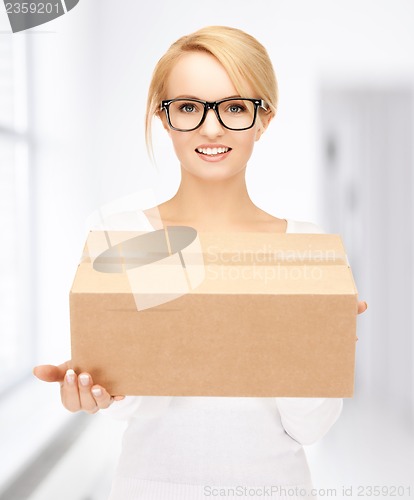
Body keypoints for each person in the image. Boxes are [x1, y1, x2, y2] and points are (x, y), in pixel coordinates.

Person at [34, 25, 368, 500]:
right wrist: (99, 387)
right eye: (189, 107)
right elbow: (135, 406)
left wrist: (318, 344)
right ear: (163, 117)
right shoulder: (130, 235)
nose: (211, 129)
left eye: (234, 107)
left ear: (264, 119)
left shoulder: (304, 248)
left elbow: (308, 428)